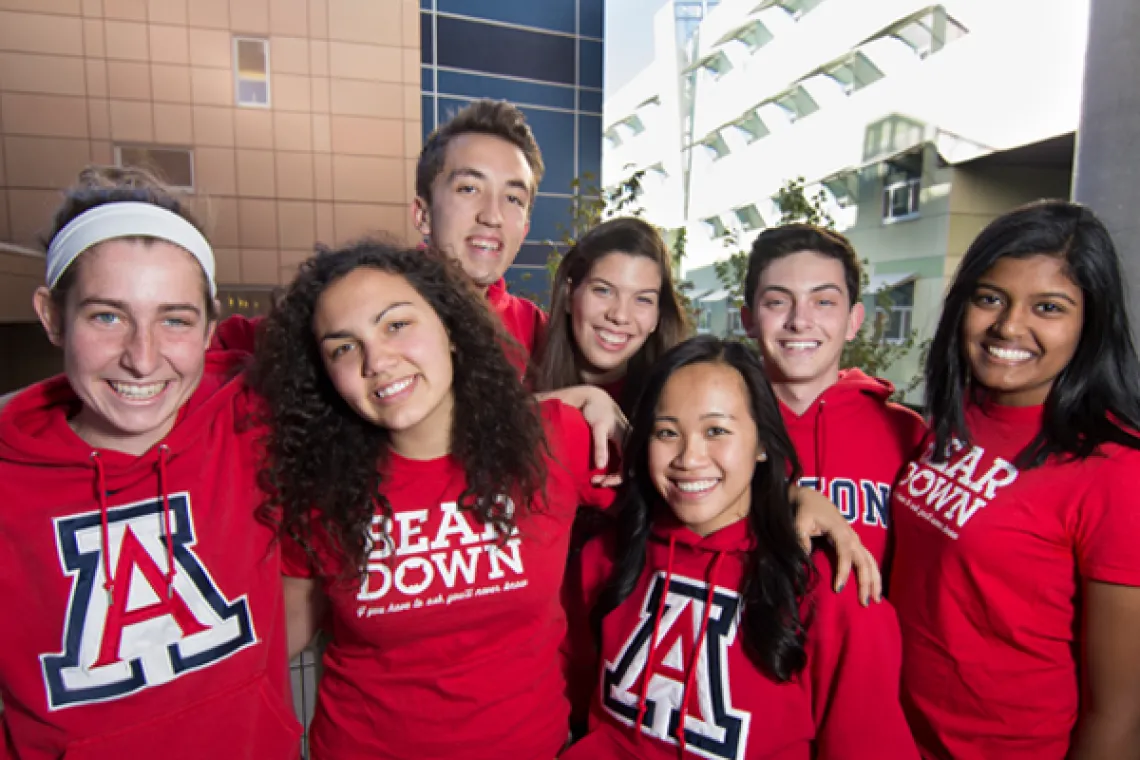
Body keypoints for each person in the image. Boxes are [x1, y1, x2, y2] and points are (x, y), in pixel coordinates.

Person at [252, 240, 614, 759]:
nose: (376, 360)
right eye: (343, 347)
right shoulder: (321, 488)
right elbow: (272, 640)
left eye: (396, 324)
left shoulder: (558, 441)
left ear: (451, 328)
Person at [0, 167, 300, 759]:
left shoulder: (250, 421)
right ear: (53, 315)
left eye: (175, 320)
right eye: (106, 316)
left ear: (210, 327)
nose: (142, 358)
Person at [562, 336, 918, 759]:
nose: (689, 457)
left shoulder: (833, 592)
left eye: (716, 431)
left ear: (763, 443)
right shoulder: (607, 554)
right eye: (667, 432)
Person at [890, 200, 1140, 759]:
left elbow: (1121, 714)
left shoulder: (1118, 470)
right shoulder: (957, 417)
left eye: (1048, 307)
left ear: (1091, 322)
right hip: (898, 739)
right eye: (990, 298)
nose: (1008, 326)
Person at [740, 224, 925, 565]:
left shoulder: (908, 435)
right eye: (778, 301)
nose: (800, 321)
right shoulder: (715, 426)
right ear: (748, 319)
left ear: (854, 321)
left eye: (823, 301)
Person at [411, 98, 548, 359]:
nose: (492, 216)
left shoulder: (539, 331)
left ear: (525, 229)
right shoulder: (383, 316)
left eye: (513, 198)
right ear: (423, 214)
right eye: (469, 189)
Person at [531, 216, 691, 413]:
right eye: (603, 290)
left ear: (657, 316)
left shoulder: (678, 399)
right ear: (569, 295)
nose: (620, 316)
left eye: (643, 299)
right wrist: (582, 397)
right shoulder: (521, 368)